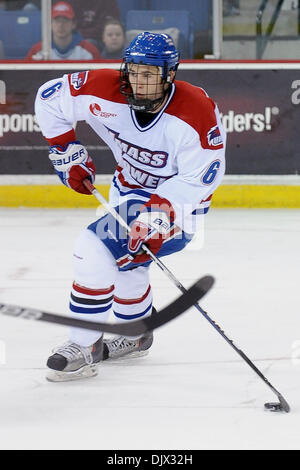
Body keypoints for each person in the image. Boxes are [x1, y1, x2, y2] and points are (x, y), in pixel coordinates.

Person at [34, 31, 226, 382]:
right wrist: (65, 151)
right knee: (126, 263)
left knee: (92, 249)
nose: (138, 81)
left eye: (150, 74)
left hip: (180, 209)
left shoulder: (196, 112)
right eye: (134, 71)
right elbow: (49, 98)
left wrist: (158, 218)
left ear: (170, 74)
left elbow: (200, 180)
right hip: (126, 192)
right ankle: (135, 333)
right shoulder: (104, 88)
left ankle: (83, 344)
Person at [26, 1, 102, 61]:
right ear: (50, 24)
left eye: (65, 20)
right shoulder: (36, 51)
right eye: (57, 21)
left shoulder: (90, 50)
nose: (61, 25)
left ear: (73, 24)